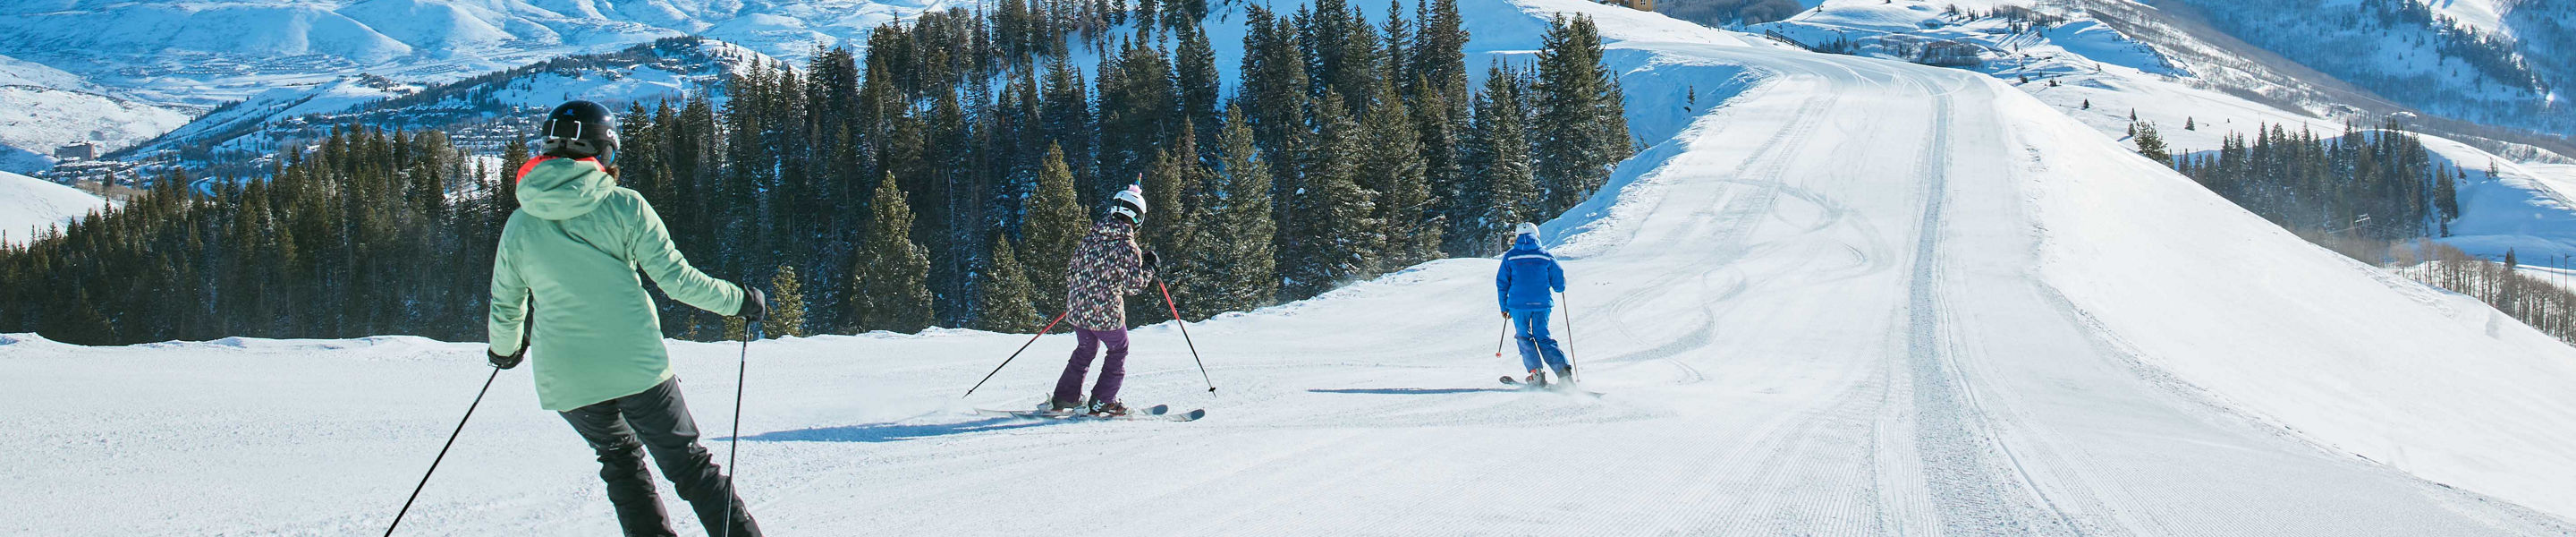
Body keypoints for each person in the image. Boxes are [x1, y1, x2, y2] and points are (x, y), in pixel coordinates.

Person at [487, 100, 768, 537]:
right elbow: (678, 281)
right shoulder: (625, 207)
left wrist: (504, 352)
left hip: (568, 380)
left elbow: (506, 306)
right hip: (638, 368)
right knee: (688, 464)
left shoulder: (520, 225)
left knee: (621, 465)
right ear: (603, 153)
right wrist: (740, 301)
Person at [1049, 183, 1157, 416]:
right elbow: (1134, 285)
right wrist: (1149, 269)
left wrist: (1085, 292)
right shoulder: (1127, 246)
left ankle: (1065, 398)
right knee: (1119, 349)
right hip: (1106, 314)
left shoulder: (1089, 238)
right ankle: (1103, 400)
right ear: (1138, 218)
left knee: (1085, 349)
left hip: (1077, 309)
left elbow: (1071, 273)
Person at [1496, 222, 1572, 387]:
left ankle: (1536, 374)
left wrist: (1504, 307)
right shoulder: (1545, 255)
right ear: (1537, 235)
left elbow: (1502, 283)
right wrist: (1561, 284)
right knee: (1543, 337)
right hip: (1542, 304)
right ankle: (1564, 375)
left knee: (1524, 337)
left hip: (1518, 305)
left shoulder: (1510, 256)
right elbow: (1559, 285)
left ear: (1517, 237)